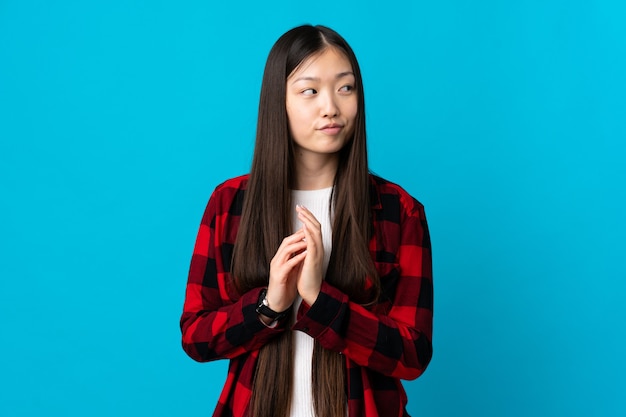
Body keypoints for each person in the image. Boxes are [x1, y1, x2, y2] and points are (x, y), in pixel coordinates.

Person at [180, 24, 433, 417]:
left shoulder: (399, 210)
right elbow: (197, 338)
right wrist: (270, 304)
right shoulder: (230, 204)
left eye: (345, 88)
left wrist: (319, 298)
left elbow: (413, 354)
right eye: (310, 91)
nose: (330, 106)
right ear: (277, 101)